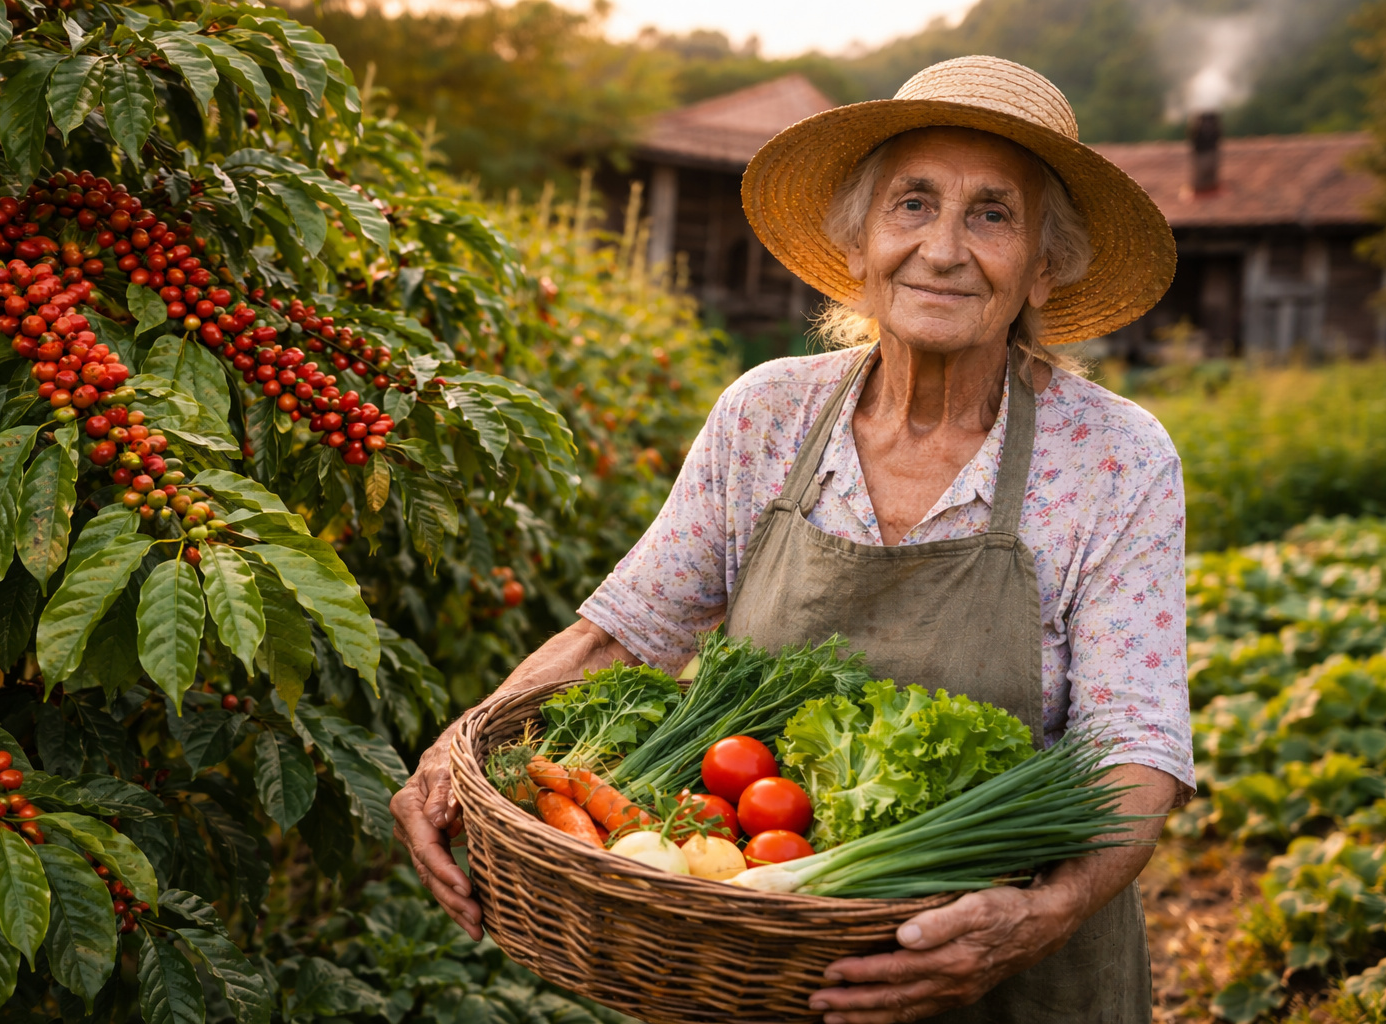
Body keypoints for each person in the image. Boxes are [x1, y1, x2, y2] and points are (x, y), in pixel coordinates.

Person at [393, 55, 1193, 1023]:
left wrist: (1041, 913)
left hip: (1014, 983)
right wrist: (461, 747)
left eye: (992, 214)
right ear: (857, 242)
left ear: (1042, 268)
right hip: (766, 983)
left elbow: (1136, 753)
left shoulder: (1114, 457)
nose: (942, 248)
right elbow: (625, 632)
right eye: (912, 204)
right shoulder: (765, 417)